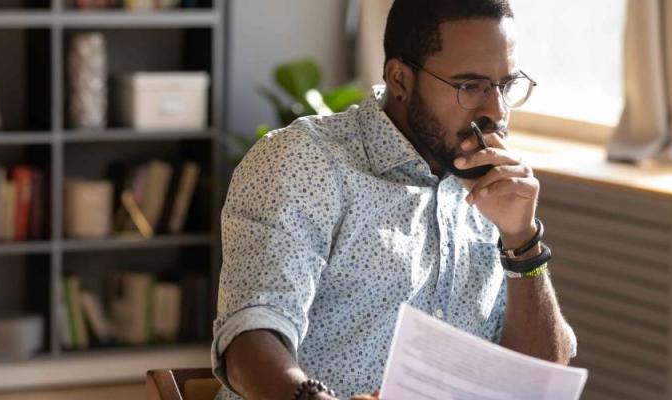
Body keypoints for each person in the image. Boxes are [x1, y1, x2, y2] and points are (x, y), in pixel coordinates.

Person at [211, 1, 576, 398]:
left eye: (505, 86)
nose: (496, 111)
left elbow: (536, 383)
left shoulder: (496, 188)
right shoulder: (305, 162)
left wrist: (521, 240)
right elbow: (250, 335)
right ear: (400, 79)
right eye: (470, 86)